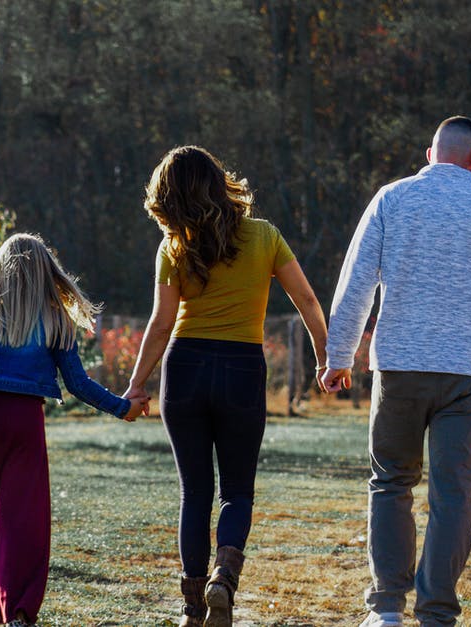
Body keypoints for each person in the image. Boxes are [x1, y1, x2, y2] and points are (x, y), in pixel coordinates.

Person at [321, 116, 471, 627]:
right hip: (466, 374)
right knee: (453, 494)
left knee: (391, 482)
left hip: (398, 366)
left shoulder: (391, 199)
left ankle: (388, 609)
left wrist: (339, 355)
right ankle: (438, 612)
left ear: (429, 154)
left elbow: (356, 283)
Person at [122, 145, 329, 627]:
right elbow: (308, 300)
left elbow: (160, 322)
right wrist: (327, 359)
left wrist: (136, 385)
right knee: (236, 492)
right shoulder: (264, 236)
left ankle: (193, 610)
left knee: (194, 492)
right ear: (219, 182)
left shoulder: (175, 245)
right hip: (240, 369)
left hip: (186, 367)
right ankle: (223, 580)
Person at [0, 233, 147, 627]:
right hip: (27, 421)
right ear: (47, 273)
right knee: (23, 516)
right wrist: (122, 408)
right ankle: (17, 611)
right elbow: (78, 384)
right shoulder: (56, 321)